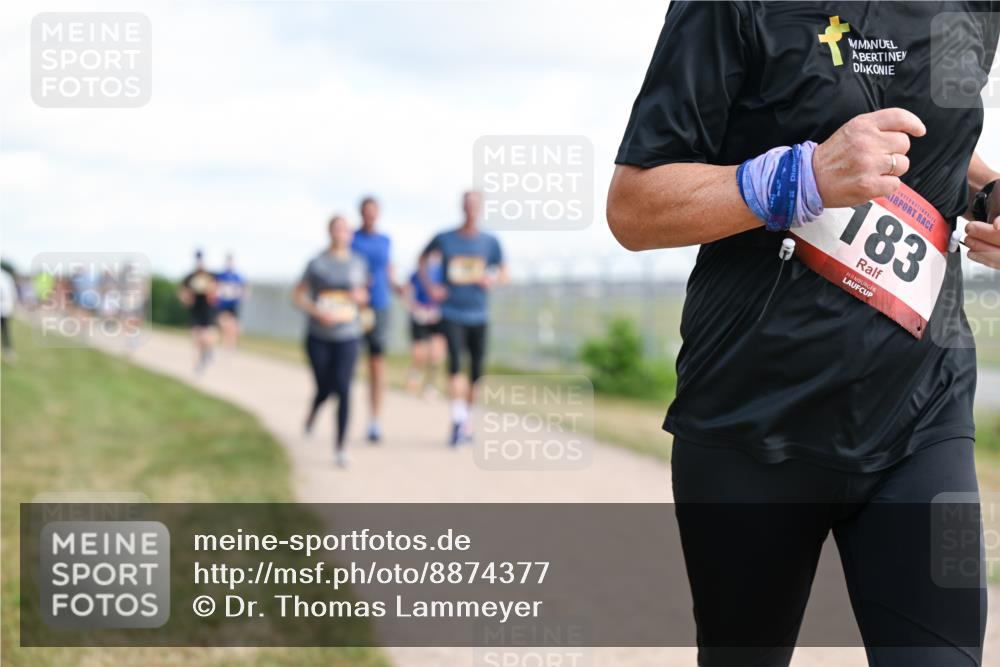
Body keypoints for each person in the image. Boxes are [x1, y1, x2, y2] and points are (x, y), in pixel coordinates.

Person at [607, 3, 1000, 666]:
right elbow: (635, 207)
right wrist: (801, 177)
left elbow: (932, 143)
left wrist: (990, 193)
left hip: (922, 411)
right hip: (753, 418)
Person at [420, 191, 507, 446]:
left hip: (479, 313)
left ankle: (467, 419)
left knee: (476, 371)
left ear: (480, 209)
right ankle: (457, 418)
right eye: (467, 205)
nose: (471, 210)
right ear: (462, 207)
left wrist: (491, 279)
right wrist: (431, 287)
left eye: (475, 206)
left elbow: (504, 271)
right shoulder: (445, 238)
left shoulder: (490, 242)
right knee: (456, 364)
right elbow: (422, 260)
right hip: (452, 311)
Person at [292, 215, 369, 468]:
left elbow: (363, 294)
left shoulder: (358, 263)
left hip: (348, 334)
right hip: (319, 336)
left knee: (344, 388)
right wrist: (317, 312)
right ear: (329, 232)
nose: (341, 233)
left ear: (350, 234)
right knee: (325, 387)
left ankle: (341, 447)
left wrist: (360, 298)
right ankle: (313, 414)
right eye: (337, 228)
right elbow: (298, 295)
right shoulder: (317, 263)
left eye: (345, 229)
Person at [350, 196, 400, 444]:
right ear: (360, 213)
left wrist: (397, 286)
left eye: (374, 212)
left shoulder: (385, 240)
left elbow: (389, 269)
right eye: (366, 211)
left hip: (379, 305)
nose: (370, 215)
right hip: (354, 308)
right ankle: (344, 416)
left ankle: (375, 420)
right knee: (348, 363)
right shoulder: (352, 238)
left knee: (377, 364)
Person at [404, 251, 446, 398]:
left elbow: (446, 292)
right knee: (419, 354)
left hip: (437, 316)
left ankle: (430, 386)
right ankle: (414, 375)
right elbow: (407, 291)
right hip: (420, 315)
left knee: (435, 354)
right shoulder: (416, 274)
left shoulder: (442, 273)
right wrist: (414, 307)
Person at [177, 250, 218, 374]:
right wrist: (186, 299)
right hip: (195, 311)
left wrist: (209, 293)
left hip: (207, 310)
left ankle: (208, 351)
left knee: (206, 337)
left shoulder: (210, 276)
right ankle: (199, 364)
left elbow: (215, 294)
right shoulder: (190, 277)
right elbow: (182, 292)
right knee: (196, 338)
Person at [215, 253, 248, 349]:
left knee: (234, 327)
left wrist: (242, 295)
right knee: (223, 324)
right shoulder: (221, 275)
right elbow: (215, 287)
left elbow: (245, 289)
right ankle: (224, 343)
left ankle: (231, 345)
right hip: (223, 304)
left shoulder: (237, 276)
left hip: (233, 304)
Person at [0, 266, 17, 363]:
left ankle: (8, 352)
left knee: (5, 332)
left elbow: (11, 293)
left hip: (4, 309)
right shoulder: (7, 276)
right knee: (6, 332)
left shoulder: (6, 277)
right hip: (6, 308)